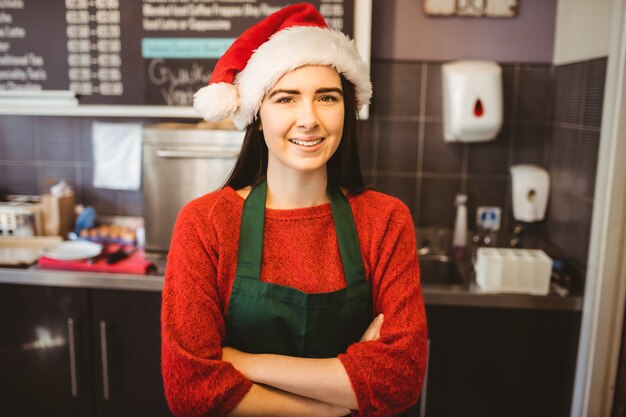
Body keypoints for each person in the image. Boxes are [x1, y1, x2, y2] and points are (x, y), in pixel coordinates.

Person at [161, 3, 428, 416]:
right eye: (286, 98)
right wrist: (329, 406)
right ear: (258, 114)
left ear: (347, 110)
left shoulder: (385, 220)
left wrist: (246, 363)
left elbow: (401, 379)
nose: (309, 119)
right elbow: (191, 390)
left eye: (327, 97)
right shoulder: (206, 223)